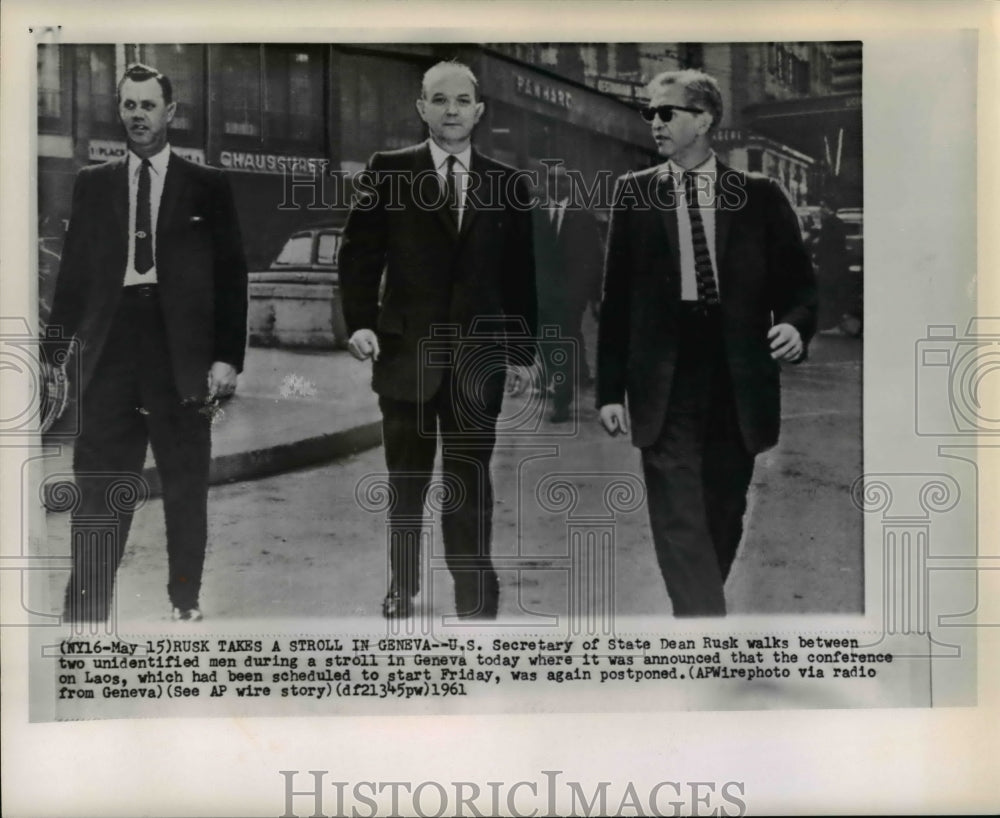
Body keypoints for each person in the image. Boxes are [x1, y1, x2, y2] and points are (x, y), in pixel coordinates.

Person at [597, 69, 817, 616]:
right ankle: (704, 626)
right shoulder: (634, 195)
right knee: (675, 512)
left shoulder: (760, 197)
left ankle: (695, 614)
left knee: (723, 509)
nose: (654, 122)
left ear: (704, 119)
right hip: (663, 379)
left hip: (736, 376)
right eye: (650, 112)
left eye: (666, 112)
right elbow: (616, 301)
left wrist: (794, 325)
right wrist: (607, 391)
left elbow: (802, 289)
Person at [48, 63, 248, 623]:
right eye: (129, 105)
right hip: (110, 352)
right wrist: (50, 355)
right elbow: (74, 279)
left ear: (171, 113)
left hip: (178, 353)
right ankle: (85, 611)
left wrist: (227, 356)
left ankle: (185, 598)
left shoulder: (207, 184)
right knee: (98, 487)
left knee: (185, 486)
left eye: (149, 105)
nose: (138, 115)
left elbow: (233, 276)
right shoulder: (94, 183)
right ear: (121, 111)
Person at [338, 61, 536, 620]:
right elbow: (358, 255)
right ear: (421, 108)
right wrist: (360, 323)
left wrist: (521, 352)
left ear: (479, 110)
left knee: (470, 483)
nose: (451, 110)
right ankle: (403, 586)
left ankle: (474, 592)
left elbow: (520, 277)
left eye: (462, 100)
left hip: (479, 363)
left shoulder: (508, 184)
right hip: (406, 358)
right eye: (439, 99)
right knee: (406, 484)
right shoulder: (389, 171)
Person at [532, 163, 604, 422]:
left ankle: (562, 400)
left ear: (569, 185)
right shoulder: (534, 214)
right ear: (546, 184)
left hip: (571, 298)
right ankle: (558, 380)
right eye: (551, 180)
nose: (556, 185)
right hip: (541, 295)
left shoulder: (583, 217)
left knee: (564, 342)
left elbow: (595, 259)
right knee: (545, 343)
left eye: (561, 181)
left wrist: (596, 298)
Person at [809, 198, 849, 332]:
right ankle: (835, 320)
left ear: (828, 208)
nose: (820, 210)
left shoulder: (828, 223)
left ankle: (827, 323)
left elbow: (824, 245)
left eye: (822, 206)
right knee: (833, 293)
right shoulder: (839, 222)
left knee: (825, 293)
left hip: (829, 266)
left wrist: (816, 259)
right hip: (837, 266)